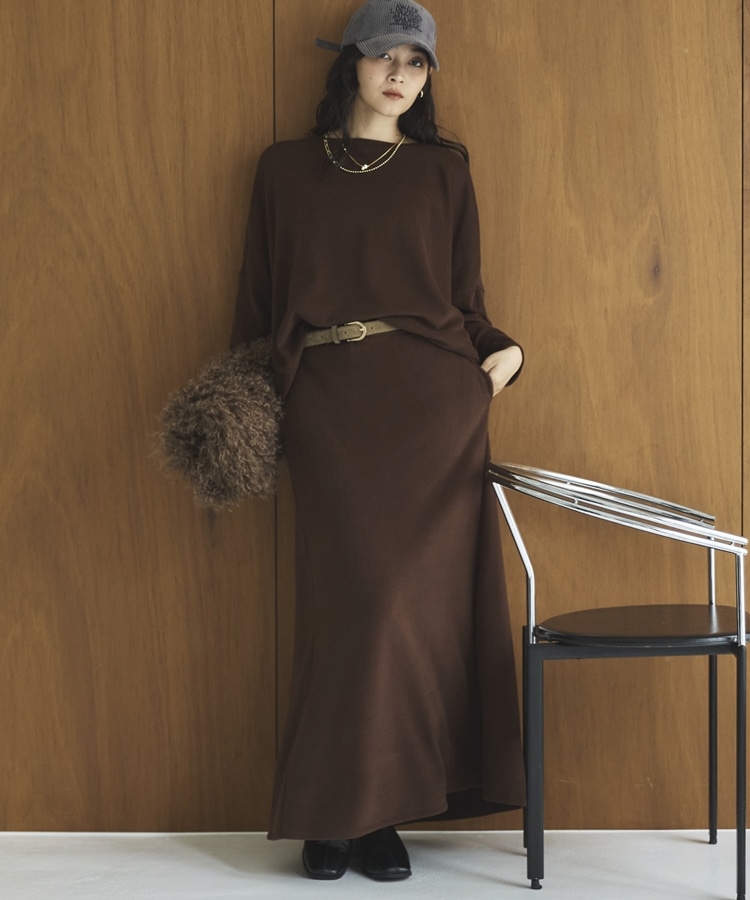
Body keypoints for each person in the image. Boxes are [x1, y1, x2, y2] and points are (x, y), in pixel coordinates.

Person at [230, 0, 526, 882]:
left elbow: (465, 303)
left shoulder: (443, 172)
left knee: (407, 616)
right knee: (350, 608)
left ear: (427, 79)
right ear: (350, 64)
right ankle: (340, 810)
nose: (399, 74)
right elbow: (255, 304)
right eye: (383, 55)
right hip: (325, 406)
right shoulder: (283, 169)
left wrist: (504, 357)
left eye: (416, 62)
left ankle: (372, 819)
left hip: (433, 411)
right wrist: (246, 407)